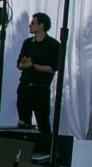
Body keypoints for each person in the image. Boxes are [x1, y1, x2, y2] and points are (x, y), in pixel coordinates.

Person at [15, 12, 60, 145]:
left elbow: (53, 68)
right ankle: (24, 150)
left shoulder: (53, 44)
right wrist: (23, 64)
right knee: (23, 121)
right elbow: (19, 64)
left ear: (42, 25)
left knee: (43, 121)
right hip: (24, 86)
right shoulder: (28, 43)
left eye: (33, 23)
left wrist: (33, 66)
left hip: (40, 88)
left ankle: (47, 149)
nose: (30, 25)